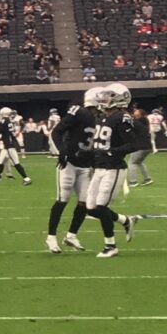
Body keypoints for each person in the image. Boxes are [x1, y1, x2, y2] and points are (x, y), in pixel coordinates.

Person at [52, 83, 135, 257]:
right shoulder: (103, 117)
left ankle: (110, 246)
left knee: (100, 206)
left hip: (112, 167)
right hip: (98, 166)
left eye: (109, 96)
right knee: (90, 207)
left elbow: (133, 143)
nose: (105, 99)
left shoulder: (122, 117)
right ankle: (125, 220)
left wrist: (112, 151)